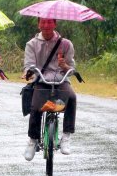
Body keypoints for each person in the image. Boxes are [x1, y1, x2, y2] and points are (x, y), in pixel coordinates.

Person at [22, 18, 77, 161]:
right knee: (35, 106)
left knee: (72, 97)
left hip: (61, 80)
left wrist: (64, 66)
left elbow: (71, 69)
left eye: (49, 22)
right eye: (43, 22)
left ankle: (66, 136)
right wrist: (29, 72)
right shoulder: (32, 44)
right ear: (38, 24)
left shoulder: (65, 44)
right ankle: (33, 140)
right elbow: (29, 65)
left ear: (55, 24)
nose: (46, 26)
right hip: (41, 80)